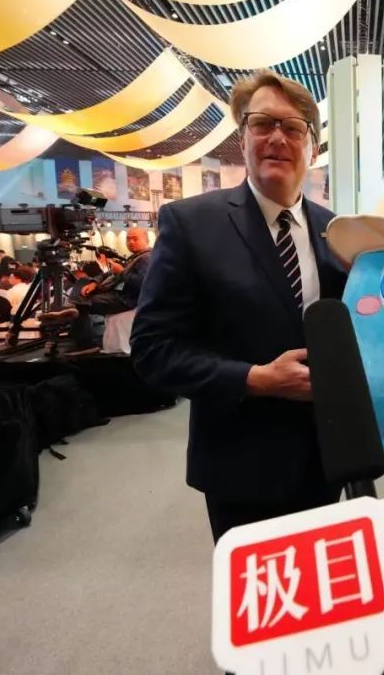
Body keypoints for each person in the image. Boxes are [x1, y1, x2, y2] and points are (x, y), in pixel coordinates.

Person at [131, 69, 349, 543]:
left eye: (293, 128)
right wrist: (256, 379)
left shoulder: (338, 232)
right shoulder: (192, 224)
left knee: (323, 582)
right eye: (262, 124)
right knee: (260, 588)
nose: (277, 138)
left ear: (312, 148)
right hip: (242, 464)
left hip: (327, 458)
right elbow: (153, 349)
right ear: (242, 137)